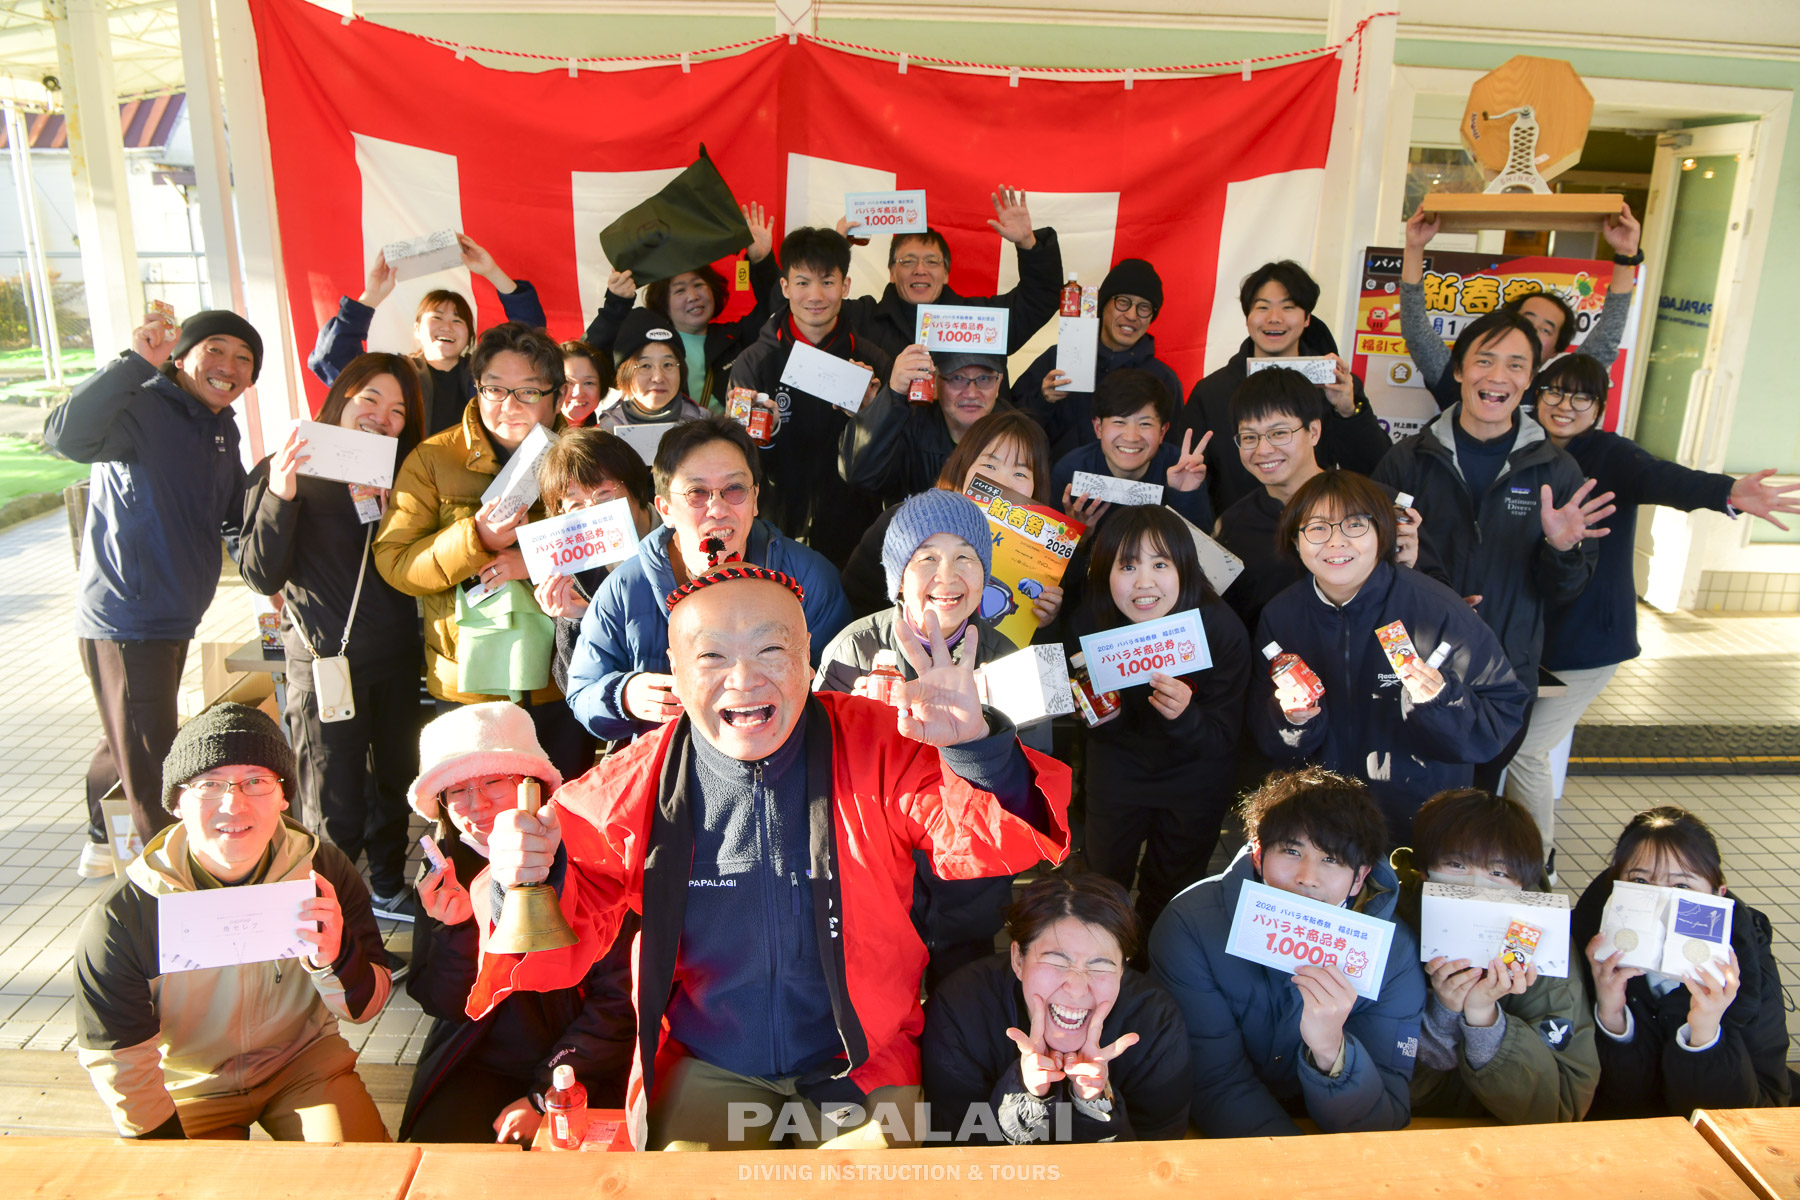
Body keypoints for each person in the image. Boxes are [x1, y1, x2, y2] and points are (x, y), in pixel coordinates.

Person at [470, 551, 1073, 1151]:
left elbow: (996, 837)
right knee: (688, 1187)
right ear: (674, 671)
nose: (743, 678)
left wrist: (976, 748)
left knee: (879, 1188)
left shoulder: (878, 742)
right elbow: (550, 933)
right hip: (709, 1059)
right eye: (711, 656)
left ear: (808, 657)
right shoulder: (632, 784)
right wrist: (521, 875)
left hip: (862, 1059)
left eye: (771, 649)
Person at [1505, 353, 1800, 860]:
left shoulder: (1612, 456)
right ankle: (1504, 851)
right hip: (1530, 635)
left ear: (1599, 408)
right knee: (1504, 742)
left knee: (1526, 750)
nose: (1565, 405)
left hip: (1590, 640)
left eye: (1581, 397)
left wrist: (1728, 491)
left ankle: (1536, 864)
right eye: (1554, 391)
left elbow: (1667, 478)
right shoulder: (1522, 447)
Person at [73, 703, 391, 1140]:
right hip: (187, 1086)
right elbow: (117, 1058)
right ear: (177, 802)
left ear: (283, 796)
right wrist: (167, 1152)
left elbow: (366, 1008)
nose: (233, 803)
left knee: (361, 1171)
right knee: (193, 1177)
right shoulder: (128, 913)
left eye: (256, 781)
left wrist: (335, 959)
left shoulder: (323, 871)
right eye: (209, 784)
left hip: (303, 1065)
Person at [45, 308, 259, 876]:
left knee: (126, 732)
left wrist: (271, 564)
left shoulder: (220, 426)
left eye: (244, 359)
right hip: (128, 616)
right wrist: (134, 362)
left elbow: (234, 512)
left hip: (174, 613)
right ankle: (171, 880)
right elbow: (64, 436)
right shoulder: (141, 404)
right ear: (181, 357)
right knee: (154, 754)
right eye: (216, 349)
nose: (229, 366)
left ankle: (101, 837)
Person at [1372, 308, 1614, 791]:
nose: (1498, 376)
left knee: (1475, 809)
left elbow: (1564, 590)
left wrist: (1561, 549)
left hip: (1502, 676)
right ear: (1459, 370)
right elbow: (1368, 569)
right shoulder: (1407, 460)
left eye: (1516, 364)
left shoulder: (1556, 470)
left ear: (1530, 379)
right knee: (1398, 800)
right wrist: (1426, 590)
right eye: (1484, 360)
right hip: (1410, 666)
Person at [815, 490, 1028, 991]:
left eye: (965, 558)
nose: (947, 577)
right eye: (926, 558)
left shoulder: (1008, 659)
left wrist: (979, 737)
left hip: (971, 885)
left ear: (985, 574)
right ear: (897, 577)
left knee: (961, 1006)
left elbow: (1030, 790)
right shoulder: (853, 650)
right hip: (876, 886)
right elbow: (815, 772)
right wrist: (855, 727)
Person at [240, 352, 427, 914]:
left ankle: (387, 886)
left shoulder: (405, 475)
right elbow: (260, 573)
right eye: (370, 398)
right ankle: (331, 914)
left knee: (396, 782)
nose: (381, 417)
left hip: (395, 658)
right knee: (332, 798)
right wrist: (281, 492)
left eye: (397, 411)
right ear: (342, 396)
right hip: (325, 664)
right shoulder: (284, 466)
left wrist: (399, 517)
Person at [1251, 470, 1529, 846]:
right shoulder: (1281, 617)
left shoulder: (1437, 610)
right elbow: (1266, 736)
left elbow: (1503, 713)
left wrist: (1441, 701)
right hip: (1319, 823)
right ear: (1294, 540)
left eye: (1354, 525)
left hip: (1417, 819)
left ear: (1383, 533)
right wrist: (1295, 721)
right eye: (1316, 528)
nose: (1336, 541)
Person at [398, 703, 635, 1143]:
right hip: (476, 1057)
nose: (477, 805)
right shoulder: (445, 874)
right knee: (440, 1153)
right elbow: (444, 1004)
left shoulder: (591, 855)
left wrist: (545, 1094)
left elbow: (620, 1002)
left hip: (582, 1061)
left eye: (493, 782)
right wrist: (455, 930)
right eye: (457, 790)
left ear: (533, 786)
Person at [1151, 768, 1425, 1137]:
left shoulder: (1392, 953)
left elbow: (1384, 1118)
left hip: (1331, 1136)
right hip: (1228, 1132)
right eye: (1291, 851)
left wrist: (1330, 1050)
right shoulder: (1192, 924)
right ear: (1259, 854)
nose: (1307, 877)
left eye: (1332, 859)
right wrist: (1293, 1163)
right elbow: (1214, 1080)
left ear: (1359, 877)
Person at [372, 322, 588, 780]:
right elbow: (395, 562)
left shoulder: (587, 457)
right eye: (494, 388)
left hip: (566, 677)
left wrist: (535, 561)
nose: (508, 405)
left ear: (558, 395)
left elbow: (626, 548)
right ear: (477, 387)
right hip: (469, 684)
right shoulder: (432, 459)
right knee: (476, 811)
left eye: (528, 390)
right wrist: (477, 539)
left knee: (566, 807)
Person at [565, 416, 850, 743]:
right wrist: (624, 695)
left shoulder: (808, 577)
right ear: (665, 508)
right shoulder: (625, 589)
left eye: (735, 489)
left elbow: (836, 692)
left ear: (755, 499)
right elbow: (583, 693)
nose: (717, 509)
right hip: (666, 762)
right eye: (697, 492)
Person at [1069, 506, 1250, 937]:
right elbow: (1085, 716)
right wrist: (1101, 717)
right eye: (1127, 566)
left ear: (1185, 568)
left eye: (1161, 564)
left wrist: (1187, 716)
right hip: (1118, 768)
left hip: (1195, 778)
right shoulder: (1091, 620)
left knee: (1173, 890)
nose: (1144, 582)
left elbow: (1224, 738)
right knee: (1101, 885)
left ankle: (1159, 965)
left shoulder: (1220, 628)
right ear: (1105, 571)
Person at [921, 873, 1191, 1143]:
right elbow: (952, 1147)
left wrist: (1095, 1102)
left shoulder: (1154, 1020)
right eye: (1057, 962)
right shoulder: (962, 1008)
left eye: (1100, 966)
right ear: (1018, 960)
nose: (1076, 987)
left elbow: (1161, 1151)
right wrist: (1026, 1097)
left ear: (1122, 968)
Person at [1391, 788, 1598, 1124]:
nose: (1476, 885)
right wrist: (1443, 1013)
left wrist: (1484, 1018)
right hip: (1407, 1130)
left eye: (1499, 873)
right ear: (1424, 872)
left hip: (1509, 1139)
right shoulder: (1395, 921)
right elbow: (1379, 1089)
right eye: (1456, 864)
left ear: (1523, 883)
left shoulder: (1546, 939)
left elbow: (1563, 1104)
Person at [1573, 806, 1791, 1117]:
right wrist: (1611, 1014)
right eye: (1641, 882)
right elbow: (1597, 1104)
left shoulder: (1745, 964)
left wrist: (1705, 1033)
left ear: (1717, 894)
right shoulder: (1588, 946)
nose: (1661, 903)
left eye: (1681, 887)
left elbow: (1763, 1107)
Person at [1214, 367, 1432, 635]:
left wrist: (1410, 569)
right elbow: (1228, 622)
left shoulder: (1378, 503)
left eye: (1279, 433)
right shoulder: (1234, 527)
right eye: (1249, 437)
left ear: (1314, 431)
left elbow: (1437, 592)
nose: (1263, 449)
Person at [730, 226, 893, 567]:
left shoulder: (872, 362)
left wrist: (870, 414)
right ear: (785, 287)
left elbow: (891, 459)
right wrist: (765, 434)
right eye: (803, 282)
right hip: (774, 524)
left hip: (854, 526)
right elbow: (736, 457)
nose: (815, 295)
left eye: (827, 282)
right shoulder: (754, 362)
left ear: (845, 286)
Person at [1179, 261, 1393, 514]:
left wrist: (1349, 412)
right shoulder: (1211, 392)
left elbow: (1376, 473)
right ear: (1247, 318)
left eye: (1288, 307)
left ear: (1307, 318)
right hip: (1239, 531)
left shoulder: (1335, 385)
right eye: (1262, 307)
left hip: (1319, 529)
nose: (1274, 318)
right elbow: (1191, 478)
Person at [1400, 204, 1644, 411]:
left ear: (1556, 351)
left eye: (1546, 329)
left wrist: (1626, 254)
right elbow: (1417, 333)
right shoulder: (1462, 375)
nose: (1532, 331)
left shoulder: (1558, 390)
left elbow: (1605, 341)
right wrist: (1414, 247)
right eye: (1527, 319)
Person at [308, 236, 547, 434]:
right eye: (437, 317)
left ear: (470, 336)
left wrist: (492, 272)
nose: (447, 326)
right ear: (417, 329)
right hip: (404, 474)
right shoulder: (398, 374)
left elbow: (530, 337)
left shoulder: (484, 374)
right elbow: (331, 358)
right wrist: (371, 296)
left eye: (457, 320)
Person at [841, 409, 1061, 623]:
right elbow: (858, 595)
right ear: (963, 466)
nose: (1002, 482)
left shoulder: (1043, 553)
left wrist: (1041, 618)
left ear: (1036, 485)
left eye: (1020, 473)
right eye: (989, 465)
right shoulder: (904, 522)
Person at [583, 201, 778, 408]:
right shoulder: (640, 342)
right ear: (664, 303)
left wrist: (762, 261)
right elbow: (587, 358)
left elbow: (777, 312)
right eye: (680, 290)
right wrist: (617, 303)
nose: (693, 296)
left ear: (713, 291)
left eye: (699, 285)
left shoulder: (736, 338)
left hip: (725, 429)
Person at [835, 187, 1063, 357]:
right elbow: (816, 309)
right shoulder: (861, 319)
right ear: (892, 272)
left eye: (932, 262)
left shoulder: (979, 321)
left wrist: (1027, 243)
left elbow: (1041, 298)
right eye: (908, 261)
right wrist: (836, 248)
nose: (920, 270)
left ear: (946, 273)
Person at [532, 428, 659, 698]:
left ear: (635, 485)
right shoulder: (573, 568)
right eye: (576, 506)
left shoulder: (679, 530)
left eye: (604, 494)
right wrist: (577, 618)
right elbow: (573, 685)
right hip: (623, 707)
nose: (594, 511)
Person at [1015, 258, 1183, 458]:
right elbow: (1011, 423)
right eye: (1123, 302)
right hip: (1057, 475)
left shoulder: (1163, 379)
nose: (1132, 315)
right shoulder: (1059, 358)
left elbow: (1172, 451)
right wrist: (1042, 400)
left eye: (1144, 307)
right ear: (1103, 305)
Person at [1048, 367, 1213, 533]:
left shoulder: (1182, 469)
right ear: (1098, 428)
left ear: (1162, 432)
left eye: (1145, 424)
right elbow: (1045, 546)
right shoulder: (1070, 471)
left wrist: (1185, 496)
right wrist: (1078, 538)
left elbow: (1203, 545)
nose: (1131, 437)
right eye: (1119, 422)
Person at [841, 347, 1011, 504]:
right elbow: (861, 476)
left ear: (998, 383)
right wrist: (893, 395)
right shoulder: (908, 429)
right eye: (957, 378)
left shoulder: (1019, 438)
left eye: (984, 378)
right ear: (934, 384)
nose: (972, 393)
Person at [595, 309, 709, 430]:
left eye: (668, 365)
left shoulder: (707, 425)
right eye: (645, 366)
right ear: (625, 374)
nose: (658, 378)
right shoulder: (606, 431)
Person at [557, 339, 612, 427]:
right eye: (568, 382)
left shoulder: (606, 428)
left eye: (588, 383)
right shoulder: (537, 430)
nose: (578, 393)